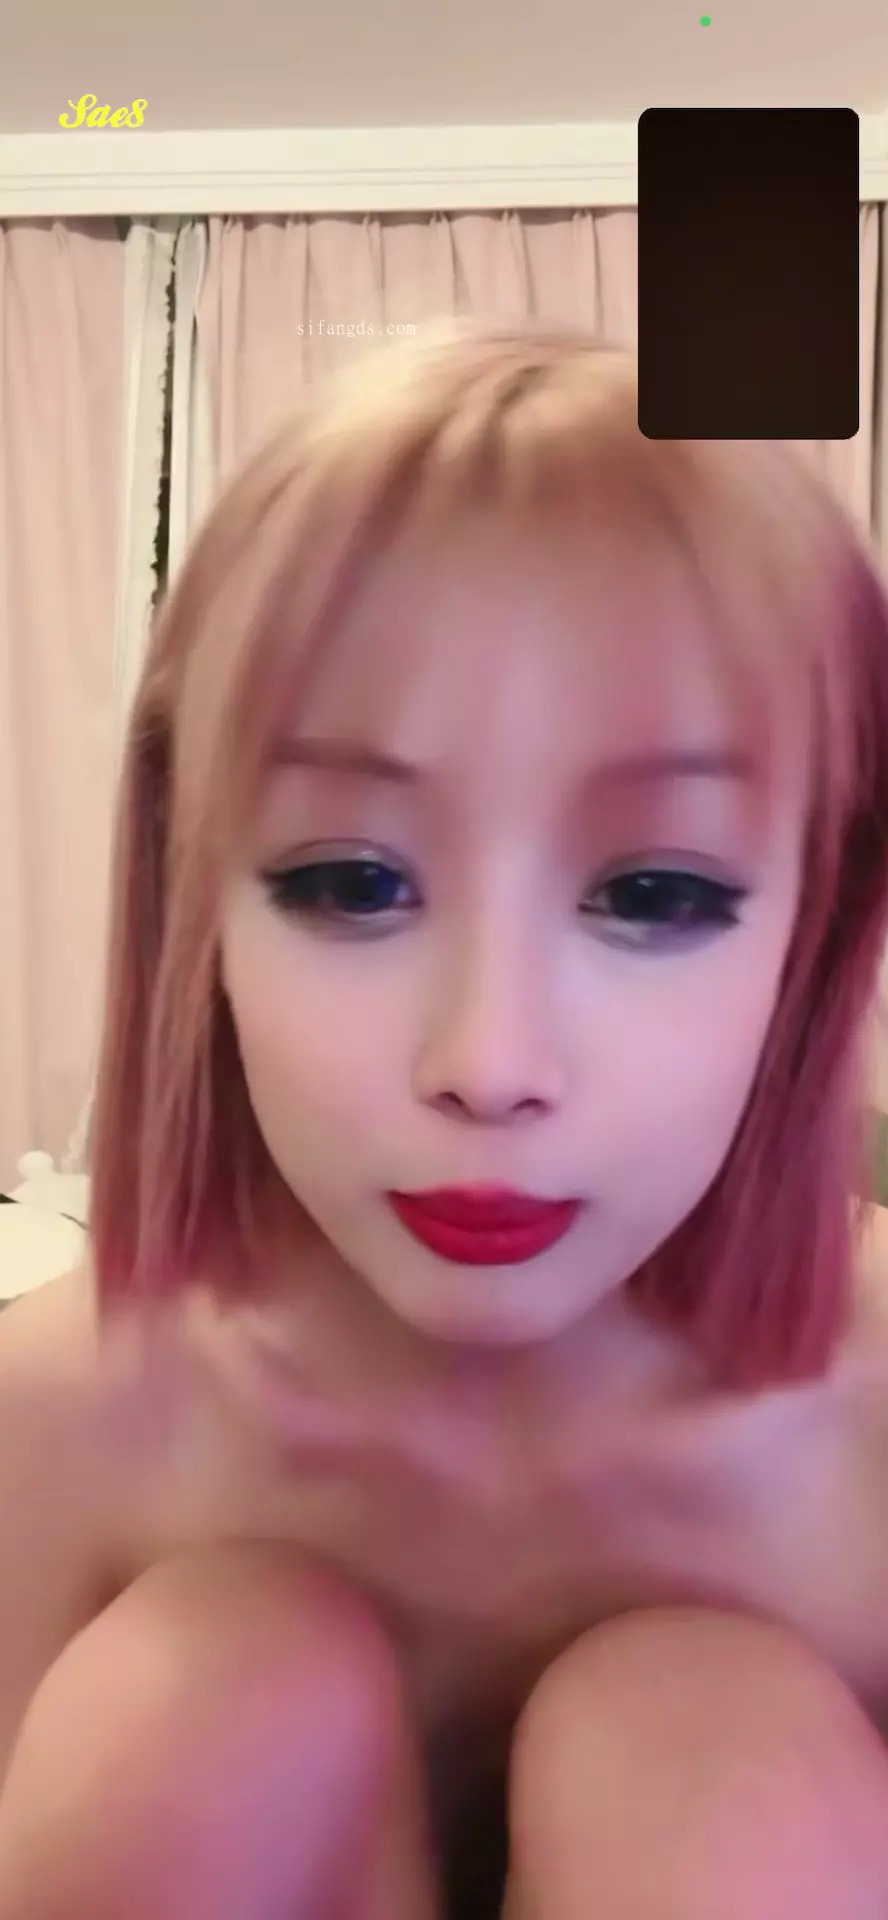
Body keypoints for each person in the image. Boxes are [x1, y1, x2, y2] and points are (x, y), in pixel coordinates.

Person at [1, 322, 888, 1920]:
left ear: (822, 919)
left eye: (654, 893)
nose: (489, 1061)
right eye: (352, 881)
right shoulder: (52, 1423)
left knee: (705, 1758)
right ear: (191, 894)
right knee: (209, 1712)